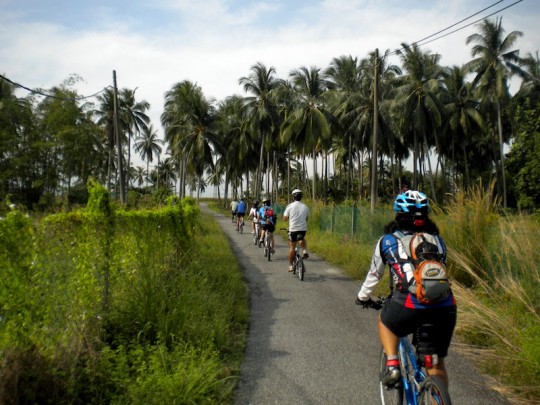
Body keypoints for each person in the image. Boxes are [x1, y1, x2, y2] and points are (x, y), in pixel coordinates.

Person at [355, 190, 457, 389]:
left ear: (398, 215)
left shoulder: (387, 241)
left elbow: (374, 275)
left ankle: (393, 365)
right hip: (444, 306)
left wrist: (363, 297)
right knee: (435, 364)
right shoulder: (438, 240)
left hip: (409, 302)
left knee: (385, 321)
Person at [283, 188, 309, 272]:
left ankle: (290, 266)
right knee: (302, 238)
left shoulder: (290, 206)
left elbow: (285, 219)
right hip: (303, 229)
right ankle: (304, 251)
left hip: (293, 229)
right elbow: (306, 219)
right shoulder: (305, 206)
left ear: (293, 197)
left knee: (292, 247)